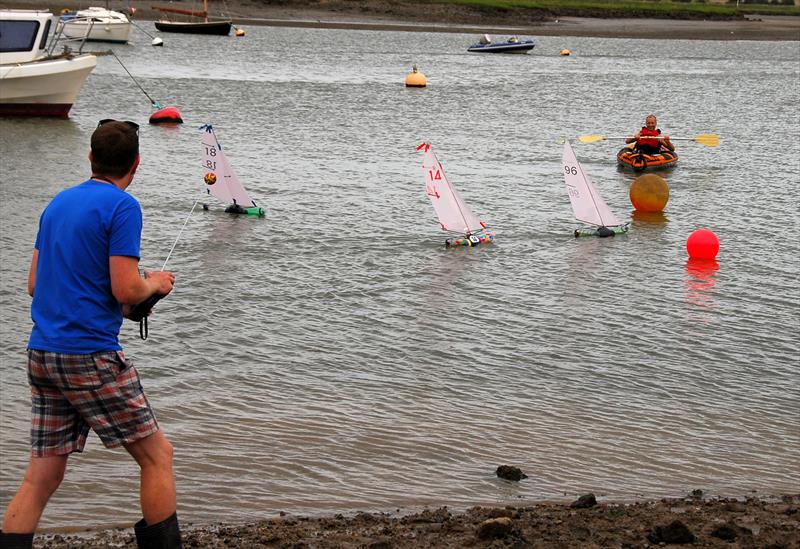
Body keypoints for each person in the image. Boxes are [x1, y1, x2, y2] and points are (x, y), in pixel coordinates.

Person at [0, 120, 181, 549]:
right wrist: (154, 283)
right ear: (136, 164)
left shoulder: (58, 204)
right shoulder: (124, 207)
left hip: (43, 353)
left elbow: (33, 284)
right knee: (158, 457)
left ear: (90, 158)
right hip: (89, 356)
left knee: (42, 474)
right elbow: (125, 290)